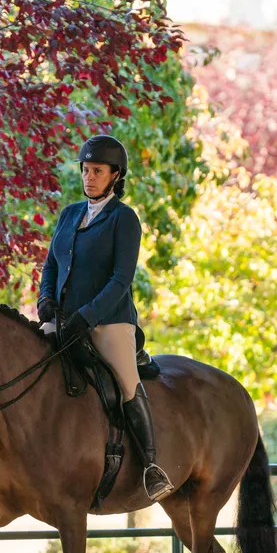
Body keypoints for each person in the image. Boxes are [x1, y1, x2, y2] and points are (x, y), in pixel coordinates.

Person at [37, 135, 174, 502]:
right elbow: (51, 264)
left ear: (115, 176)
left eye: (97, 171)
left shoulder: (124, 219)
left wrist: (88, 316)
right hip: (64, 320)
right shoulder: (69, 215)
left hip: (109, 321)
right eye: (85, 170)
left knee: (127, 384)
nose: (89, 177)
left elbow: (121, 280)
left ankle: (150, 466)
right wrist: (45, 301)